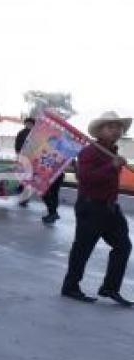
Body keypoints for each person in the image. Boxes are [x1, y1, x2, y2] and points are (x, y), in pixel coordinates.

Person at [61, 111, 132, 306]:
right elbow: (85, 178)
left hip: (110, 208)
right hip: (91, 206)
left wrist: (114, 163)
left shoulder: (112, 151)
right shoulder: (89, 151)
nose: (116, 131)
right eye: (111, 127)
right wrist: (112, 166)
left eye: (118, 127)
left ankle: (110, 288)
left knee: (123, 246)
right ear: (100, 131)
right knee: (82, 249)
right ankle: (70, 287)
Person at [15, 118, 35, 208]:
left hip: (33, 160)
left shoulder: (36, 133)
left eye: (30, 123)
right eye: (27, 123)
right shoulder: (21, 133)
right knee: (23, 179)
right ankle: (22, 198)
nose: (29, 125)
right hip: (23, 159)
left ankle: (25, 199)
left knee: (29, 181)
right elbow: (17, 146)